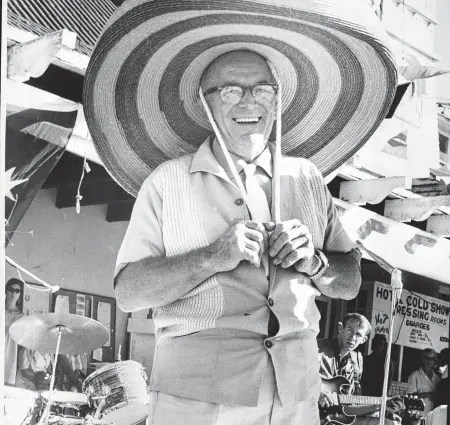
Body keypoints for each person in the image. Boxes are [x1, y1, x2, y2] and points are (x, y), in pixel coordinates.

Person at [83, 1, 398, 423]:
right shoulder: (167, 181)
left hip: (294, 397)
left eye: (262, 90)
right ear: (205, 103)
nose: (248, 102)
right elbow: (129, 292)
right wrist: (212, 257)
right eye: (230, 90)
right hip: (198, 396)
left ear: (277, 100)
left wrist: (315, 261)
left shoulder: (307, 178)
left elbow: (349, 281)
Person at [318, 313, 402, 425]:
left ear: (363, 340)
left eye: (358, 334)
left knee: (390, 423)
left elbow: (348, 409)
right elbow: (291, 377)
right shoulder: (318, 348)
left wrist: (380, 406)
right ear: (340, 328)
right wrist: (316, 392)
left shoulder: (354, 362)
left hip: (334, 419)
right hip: (308, 414)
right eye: (349, 330)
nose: (352, 337)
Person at [407, 348, 441, 417]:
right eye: (427, 358)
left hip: (433, 416)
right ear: (422, 359)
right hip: (418, 415)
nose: (429, 361)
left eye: (432, 359)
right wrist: (427, 395)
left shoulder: (437, 378)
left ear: (434, 361)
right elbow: (409, 397)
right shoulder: (415, 376)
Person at [4, 278, 24, 385]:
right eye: (11, 290)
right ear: (6, 290)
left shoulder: (21, 317)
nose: (13, 294)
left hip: (9, 356)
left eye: (17, 291)